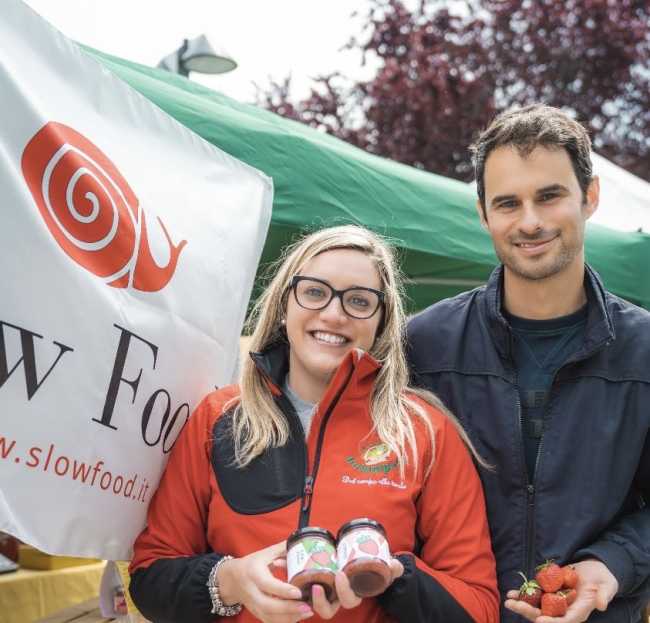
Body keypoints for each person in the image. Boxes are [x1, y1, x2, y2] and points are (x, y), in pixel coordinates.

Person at [128, 225, 499, 623]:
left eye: (359, 301)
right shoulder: (217, 417)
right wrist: (231, 580)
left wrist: (390, 575)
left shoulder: (425, 432)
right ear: (284, 303)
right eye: (315, 292)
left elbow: (478, 608)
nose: (334, 314)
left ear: (382, 320)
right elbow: (150, 577)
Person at [407, 104, 650, 623]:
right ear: (483, 214)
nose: (530, 221)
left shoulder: (645, 350)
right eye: (508, 203)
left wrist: (611, 564)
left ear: (590, 196)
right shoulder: (422, 346)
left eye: (549, 196)